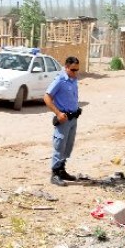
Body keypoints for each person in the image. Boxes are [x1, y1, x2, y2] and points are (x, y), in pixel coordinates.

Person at [44, 56, 82, 186]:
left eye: (77, 70)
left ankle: (62, 170)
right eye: (72, 70)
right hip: (64, 119)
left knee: (68, 146)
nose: (75, 72)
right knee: (59, 145)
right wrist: (58, 113)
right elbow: (47, 97)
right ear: (66, 67)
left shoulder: (73, 80)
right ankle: (54, 174)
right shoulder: (60, 80)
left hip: (73, 118)